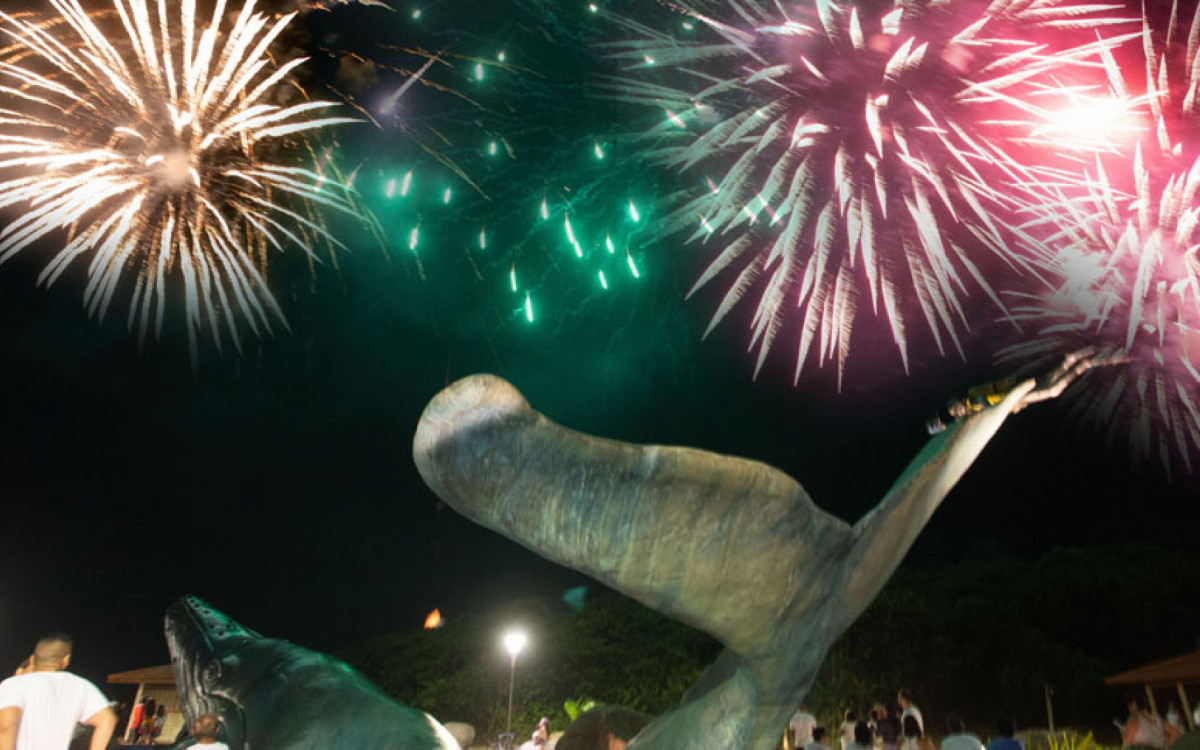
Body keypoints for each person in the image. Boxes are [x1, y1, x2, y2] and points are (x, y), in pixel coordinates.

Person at [0, 633, 116, 750]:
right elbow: (107, 719)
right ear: (66, 659)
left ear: (32, 659)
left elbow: (6, 725)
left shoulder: (12, 684)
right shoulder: (82, 686)